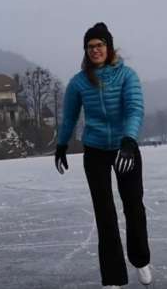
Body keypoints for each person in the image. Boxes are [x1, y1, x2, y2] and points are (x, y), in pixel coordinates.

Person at [55, 23, 152, 288]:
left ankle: (141, 259)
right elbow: (70, 117)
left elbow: (134, 108)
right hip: (96, 150)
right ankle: (113, 277)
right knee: (104, 212)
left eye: (99, 45)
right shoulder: (79, 82)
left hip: (125, 147)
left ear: (108, 47)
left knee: (133, 205)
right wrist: (62, 144)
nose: (95, 50)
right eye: (90, 47)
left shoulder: (126, 76)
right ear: (86, 51)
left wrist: (130, 140)